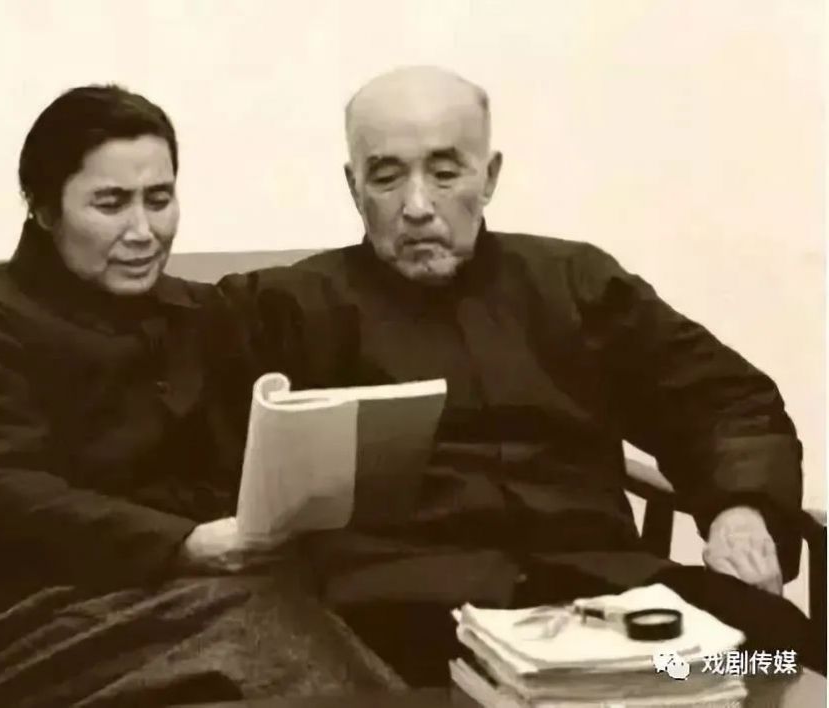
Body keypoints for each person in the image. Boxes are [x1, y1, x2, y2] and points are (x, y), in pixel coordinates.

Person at [220, 65, 825, 684]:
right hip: (407, 618)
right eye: (387, 177)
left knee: (775, 654)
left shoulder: (576, 284)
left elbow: (722, 401)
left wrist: (742, 508)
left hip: (609, 598)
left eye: (445, 172)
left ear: (490, 176)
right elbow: (180, 423)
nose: (417, 207)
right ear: (355, 187)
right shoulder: (289, 307)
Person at [0, 84, 404, 708]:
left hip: (184, 601)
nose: (143, 231)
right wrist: (181, 543)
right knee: (265, 629)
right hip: (14, 617)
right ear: (44, 209)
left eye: (159, 199)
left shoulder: (198, 313)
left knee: (308, 608)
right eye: (111, 203)